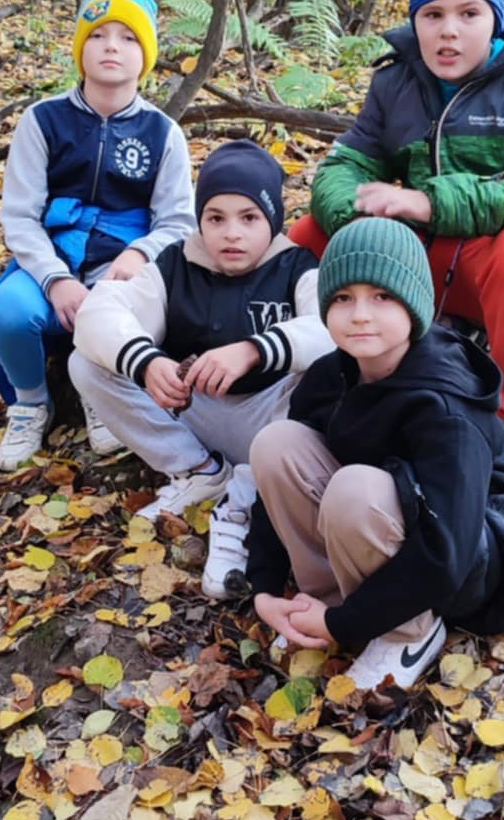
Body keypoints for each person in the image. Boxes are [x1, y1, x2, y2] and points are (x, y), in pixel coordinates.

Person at [305, 0, 504, 481]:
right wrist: (358, 223)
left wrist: (430, 201)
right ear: (415, 21)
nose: (449, 32)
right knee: (310, 234)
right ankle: (319, 372)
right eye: (433, 15)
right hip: (427, 260)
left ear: (495, 19)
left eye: (469, 14)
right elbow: (342, 167)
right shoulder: (396, 82)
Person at [247, 217, 504, 694]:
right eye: (342, 298)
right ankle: (323, 603)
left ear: (414, 303)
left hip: (472, 563)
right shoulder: (330, 375)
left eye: (382, 297)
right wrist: (264, 587)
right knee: (276, 443)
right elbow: (273, 490)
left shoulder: (445, 406)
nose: (360, 315)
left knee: (355, 488)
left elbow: (448, 551)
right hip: (388, 530)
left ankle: (407, 633)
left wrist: (348, 623)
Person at [70, 141, 332, 600]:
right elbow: (100, 311)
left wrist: (254, 350)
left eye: (249, 218)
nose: (232, 234)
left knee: (329, 375)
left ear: (272, 219)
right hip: (193, 412)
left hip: (274, 421)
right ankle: (200, 470)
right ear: (199, 220)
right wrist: (146, 361)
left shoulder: (296, 265)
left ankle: (249, 493)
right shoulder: (176, 263)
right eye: (215, 218)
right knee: (87, 362)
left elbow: (331, 329)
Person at [0, 0, 194, 470]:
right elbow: (20, 216)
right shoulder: (42, 120)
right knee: (7, 312)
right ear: (80, 49)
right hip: (53, 253)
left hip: (121, 262)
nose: (111, 47)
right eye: (97, 35)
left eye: (128, 37)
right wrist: (55, 279)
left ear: (146, 55)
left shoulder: (163, 133)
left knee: (117, 316)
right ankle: (30, 402)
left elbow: (178, 220)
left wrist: (139, 252)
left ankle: (102, 393)